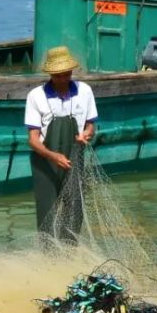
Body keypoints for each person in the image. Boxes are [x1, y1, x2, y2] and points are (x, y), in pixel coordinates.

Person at [24, 45, 97, 241]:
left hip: (75, 159)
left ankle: (69, 256)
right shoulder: (36, 96)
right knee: (47, 214)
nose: (63, 80)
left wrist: (86, 134)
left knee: (74, 210)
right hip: (45, 162)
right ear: (50, 74)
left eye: (66, 74)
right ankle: (47, 258)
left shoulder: (85, 91)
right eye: (58, 76)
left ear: (71, 71)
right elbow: (32, 140)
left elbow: (91, 126)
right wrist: (53, 156)